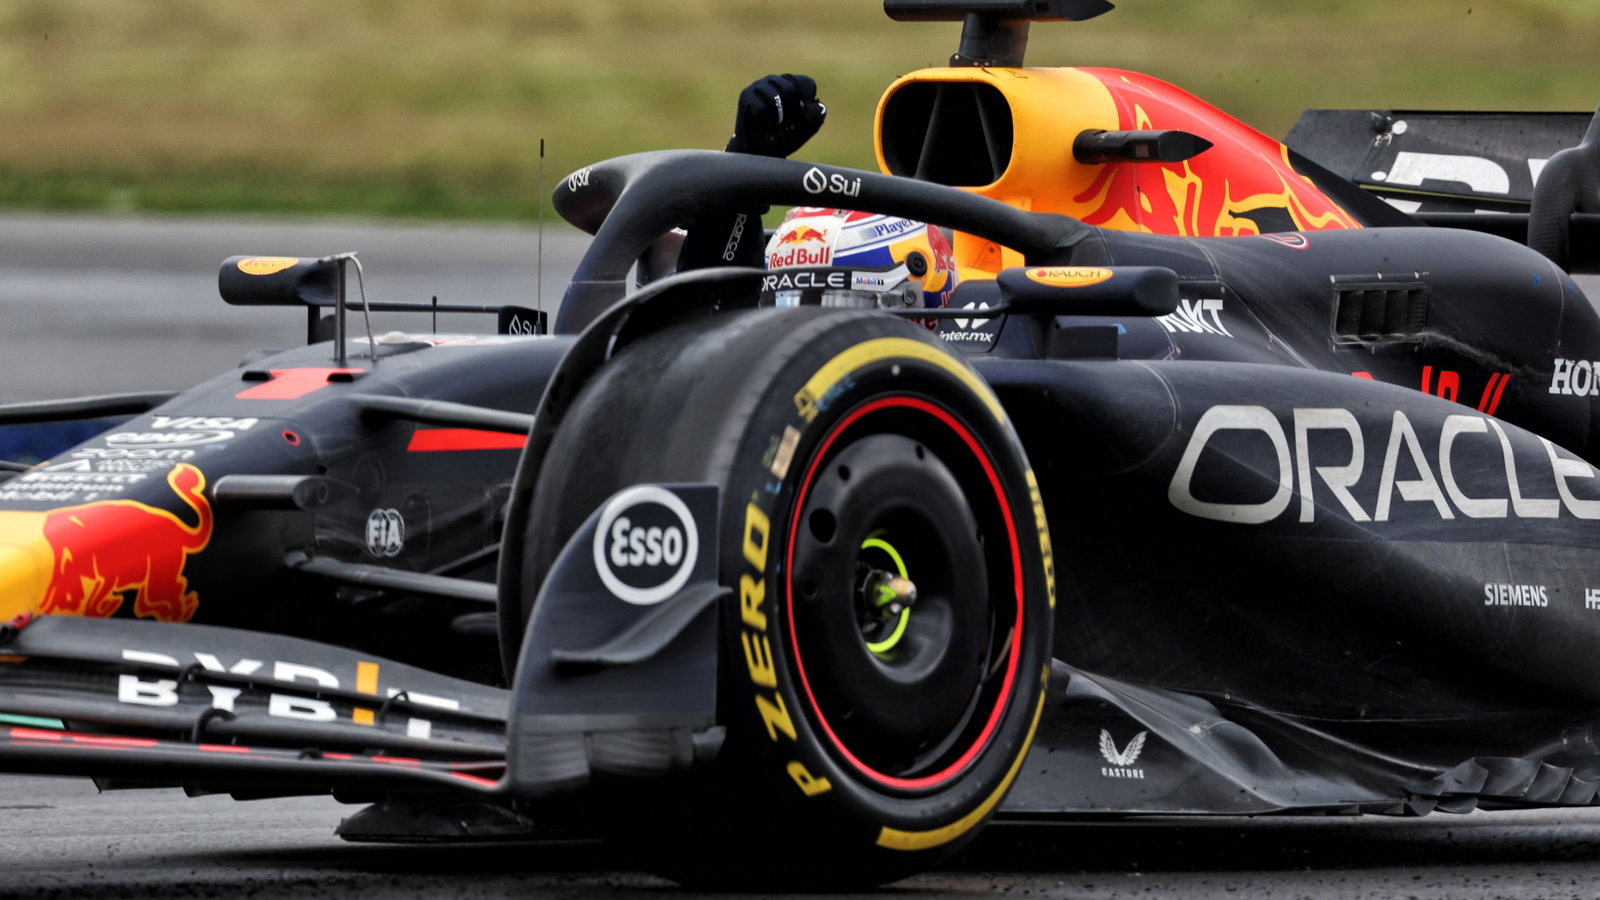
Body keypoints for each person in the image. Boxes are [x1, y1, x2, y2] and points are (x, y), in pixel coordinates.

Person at [674, 74, 957, 322]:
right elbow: (708, 324)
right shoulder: (772, 362)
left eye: (840, 314)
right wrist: (741, 179)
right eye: (786, 313)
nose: (804, 336)